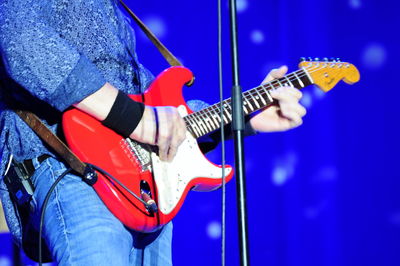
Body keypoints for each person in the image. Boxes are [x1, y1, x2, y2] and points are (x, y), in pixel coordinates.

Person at [0, 0, 306, 265]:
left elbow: (157, 110)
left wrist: (245, 116)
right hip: (70, 163)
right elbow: (22, 40)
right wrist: (134, 117)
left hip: (141, 186)